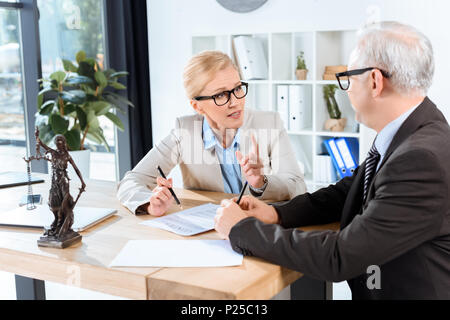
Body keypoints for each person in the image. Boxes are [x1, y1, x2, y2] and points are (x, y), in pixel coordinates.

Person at [214, 21, 450, 299]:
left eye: (348, 79)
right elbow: (348, 192)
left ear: (375, 81)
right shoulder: (417, 130)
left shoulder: (419, 158)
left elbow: (340, 257)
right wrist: (276, 214)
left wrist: (241, 230)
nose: (346, 89)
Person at [117, 51, 306, 216]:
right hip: (211, 230)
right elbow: (131, 181)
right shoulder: (184, 132)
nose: (235, 102)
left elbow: (297, 185)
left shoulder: (269, 123)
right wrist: (151, 203)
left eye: (238, 88)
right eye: (221, 95)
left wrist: (261, 183)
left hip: (260, 227)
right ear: (196, 106)